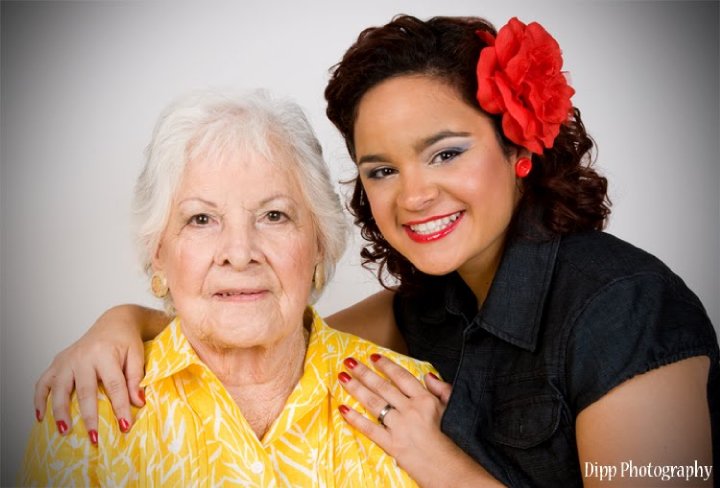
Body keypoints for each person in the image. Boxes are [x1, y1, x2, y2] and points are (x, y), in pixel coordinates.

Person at [34, 15, 718, 487]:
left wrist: (439, 463)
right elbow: (274, 329)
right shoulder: (432, 303)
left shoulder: (625, 305)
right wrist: (123, 323)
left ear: (517, 148)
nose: (414, 194)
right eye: (381, 169)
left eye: (446, 152)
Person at [21, 90, 446, 486]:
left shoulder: (411, 401)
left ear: (319, 243)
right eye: (201, 219)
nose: (240, 253)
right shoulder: (85, 412)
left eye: (274, 216)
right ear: (158, 252)